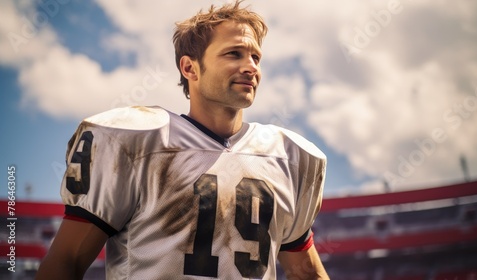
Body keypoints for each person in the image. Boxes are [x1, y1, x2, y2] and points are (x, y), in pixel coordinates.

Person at [35, 1, 330, 279]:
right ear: (190, 68)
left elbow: (306, 272)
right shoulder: (136, 141)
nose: (251, 66)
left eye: (255, 56)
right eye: (234, 54)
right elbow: (67, 261)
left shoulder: (289, 158)